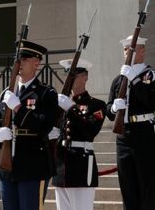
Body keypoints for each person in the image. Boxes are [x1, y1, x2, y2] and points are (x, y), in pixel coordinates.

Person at [0, 40, 58, 210]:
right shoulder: (6, 93)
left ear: (37, 63)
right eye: (17, 59)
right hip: (8, 165)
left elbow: (44, 126)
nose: (19, 63)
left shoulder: (46, 93)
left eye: (24, 59)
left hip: (33, 165)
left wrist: (18, 108)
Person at [106, 35, 155, 210]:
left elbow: (151, 101)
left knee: (147, 187)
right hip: (123, 137)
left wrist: (135, 79)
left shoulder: (150, 74)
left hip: (144, 133)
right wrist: (112, 109)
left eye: (132, 49)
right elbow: (109, 110)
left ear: (142, 51)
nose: (128, 53)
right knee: (128, 188)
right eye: (125, 49)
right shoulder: (118, 79)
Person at [51, 58, 106, 210]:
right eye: (68, 74)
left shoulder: (97, 105)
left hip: (81, 164)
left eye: (74, 74)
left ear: (85, 77)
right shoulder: (62, 103)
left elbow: (90, 131)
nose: (70, 78)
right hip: (62, 164)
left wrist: (72, 108)